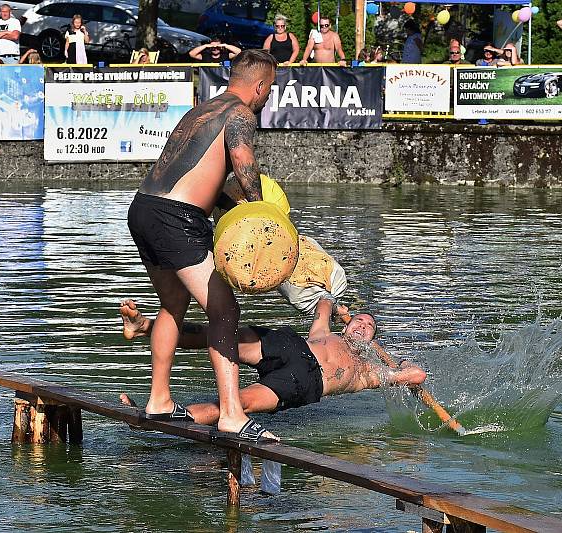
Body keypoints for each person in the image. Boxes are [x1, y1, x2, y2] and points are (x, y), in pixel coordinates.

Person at [126, 49, 278, 443]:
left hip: (144, 209)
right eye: (269, 89)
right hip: (176, 218)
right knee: (225, 309)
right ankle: (231, 414)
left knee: (173, 303)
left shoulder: (201, 110)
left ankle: (159, 399)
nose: (267, 98)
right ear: (258, 85)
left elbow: (201, 182)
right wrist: (262, 215)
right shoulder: (239, 114)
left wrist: (230, 206)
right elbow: (243, 161)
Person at [118, 298, 427, 424]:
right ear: (346, 324)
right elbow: (323, 303)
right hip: (290, 345)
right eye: (357, 320)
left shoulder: (369, 370)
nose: (361, 324)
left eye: (368, 326)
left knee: (236, 403)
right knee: (221, 335)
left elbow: (416, 375)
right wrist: (336, 307)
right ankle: (146, 327)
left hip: (307, 381)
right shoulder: (323, 332)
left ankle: (157, 419)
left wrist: (400, 368)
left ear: (373, 339)